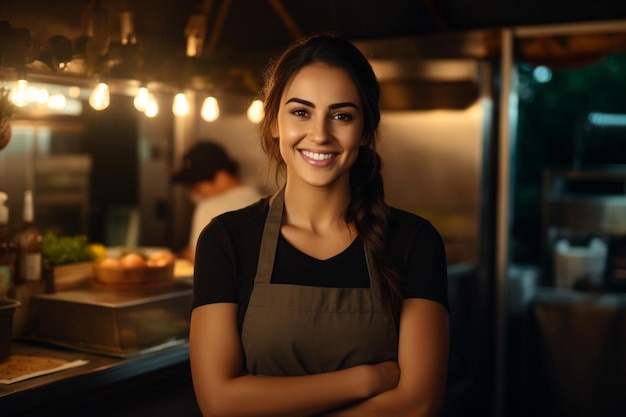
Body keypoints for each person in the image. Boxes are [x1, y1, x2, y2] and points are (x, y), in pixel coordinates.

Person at [189, 34, 449, 417]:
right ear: (275, 121)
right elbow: (220, 403)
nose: (321, 134)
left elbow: (417, 405)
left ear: (364, 131)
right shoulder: (226, 240)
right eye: (301, 112)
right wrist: (365, 380)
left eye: (342, 116)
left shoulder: (414, 242)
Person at [171, 141, 261, 262]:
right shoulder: (259, 198)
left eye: (196, 186)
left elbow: (199, 257)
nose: (193, 192)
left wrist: (186, 254)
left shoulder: (208, 207)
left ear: (221, 176)